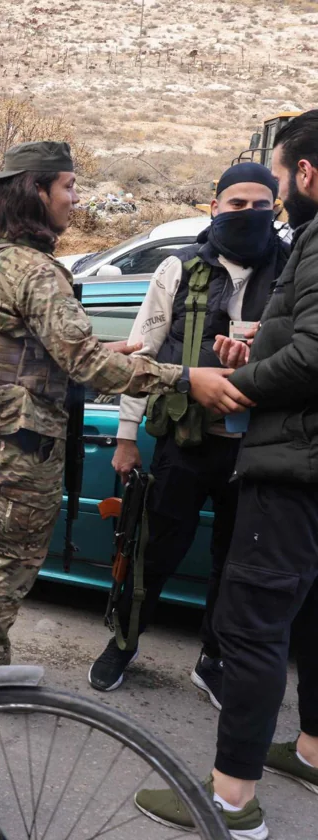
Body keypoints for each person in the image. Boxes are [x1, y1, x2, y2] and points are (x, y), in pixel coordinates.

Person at [0, 141, 250, 672]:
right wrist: (185, 377)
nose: (74, 199)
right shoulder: (35, 271)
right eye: (68, 186)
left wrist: (102, 351)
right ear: (37, 191)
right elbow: (91, 370)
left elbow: (13, 352)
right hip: (23, 442)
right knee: (8, 560)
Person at [136, 109, 318, 840]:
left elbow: (311, 356)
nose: (269, 200)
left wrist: (240, 384)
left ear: (304, 173)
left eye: (274, 181)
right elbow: (298, 339)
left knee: (250, 626)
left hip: (293, 467)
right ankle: (308, 751)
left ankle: (230, 803)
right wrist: (258, 353)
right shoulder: (190, 263)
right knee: (309, 620)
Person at [88, 162, 290, 701]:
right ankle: (124, 644)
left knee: (234, 565)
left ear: (278, 208)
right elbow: (141, 352)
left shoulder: (293, 271)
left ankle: (213, 658)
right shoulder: (176, 270)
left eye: (260, 205)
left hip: (258, 450)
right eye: (236, 204)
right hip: (184, 443)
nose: (248, 214)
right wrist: (128, 438)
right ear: (214, 207)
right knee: (153, 551)